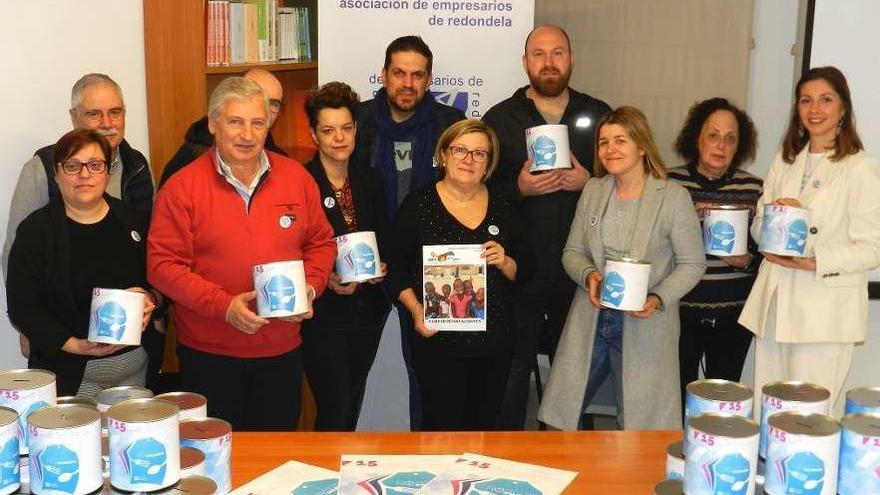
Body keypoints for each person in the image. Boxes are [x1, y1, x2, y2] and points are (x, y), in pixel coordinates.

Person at [147, 77, 336, 430]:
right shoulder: (182, 187)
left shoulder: (297, 178)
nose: (247, 135)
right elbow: (162, 266)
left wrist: (309, 288)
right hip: (209, 355)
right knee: (214, 461)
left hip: (281, 352)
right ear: (213, 123)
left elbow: (321, 243)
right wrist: (223, 306)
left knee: (274, 461)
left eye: (257, 123)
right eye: (235, 122)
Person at [538, 106, 705, 430]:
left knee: (640, 428)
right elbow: (572, 252)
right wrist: (589, 275)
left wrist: (657, 298)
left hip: (646, 326)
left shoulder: (672, 197)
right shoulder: (594, 190)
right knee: (562, 419)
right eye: (603, 142)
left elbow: (692, 264)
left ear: (641, 146)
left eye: (620, 141)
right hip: (592, 320)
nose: (610, 149)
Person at [483, 24, 612, 430]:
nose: (549, 62)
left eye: (558, 53)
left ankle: (574, 467)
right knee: (511, 375)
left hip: (581, 272)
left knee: (574, 377)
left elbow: (627, 186)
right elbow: (476, 191)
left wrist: (588, 181)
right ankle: (503, 461)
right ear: (525, 63)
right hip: (518, 271)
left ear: (571, 60)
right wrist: (517, 187)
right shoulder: (500, 119)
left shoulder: (600, 115)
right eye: (539, 54)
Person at [2, 73, 159, 387]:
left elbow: (156, 263)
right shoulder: (40, 183)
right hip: (67, 362)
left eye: (115, 112)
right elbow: (18, 272)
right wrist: (40, 332)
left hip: (133, 364)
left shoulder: (137, 169)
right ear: (58, 173)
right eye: (73, 166)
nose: (85, 175)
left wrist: (153, 300)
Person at [739, 66, 880, 409]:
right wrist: (778, 217)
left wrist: (815, 260)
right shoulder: (785, 160)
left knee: (808, 419)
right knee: (767, 412)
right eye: (806, 101)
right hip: (776, 303)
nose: (814, 109)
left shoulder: (860, 167)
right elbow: (758, 226)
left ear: (843, 108)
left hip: (824, 312)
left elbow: (872, 248)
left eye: (825, 100)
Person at [386, 119, 534, 430]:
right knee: (440, 432)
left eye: (480, 153)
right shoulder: (418, 205)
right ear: (443, 154)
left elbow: (529, 267)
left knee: (484, 432)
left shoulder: (505, 207)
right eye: (461, 150)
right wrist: (415, 311)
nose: (469, 159)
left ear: (489, 163)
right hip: (437, 344)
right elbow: (395, 270)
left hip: (494, 345)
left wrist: (507, 262)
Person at [352, 34, 465, 429]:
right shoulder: (358, 122)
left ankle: (431, 465)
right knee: (347, 381)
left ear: (429, 79)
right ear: (383, 75)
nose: (408, 83)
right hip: (365, 265)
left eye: (417, 75)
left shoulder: (452, 127)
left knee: (428, 378)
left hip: (427, 271)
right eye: (399, 73)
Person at [300, 81, 392, 431]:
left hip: (367, 310)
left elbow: (383, 234)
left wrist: (382, 266)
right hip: (323, 315)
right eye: (328, 130)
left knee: (352, 400)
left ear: (356, 130)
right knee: (334, 405)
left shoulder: (368, 178)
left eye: (346, 128)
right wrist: (326, 277)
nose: (339, 138)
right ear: (314, 135)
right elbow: (292, 248)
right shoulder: (300, 181)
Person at [667, 98, 763, 413]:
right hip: (678, 313)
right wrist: (684, 218)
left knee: (722, 404)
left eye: (730, 138)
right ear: (696, 137)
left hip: (733, 315)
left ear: (739, 145)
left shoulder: (754, 188)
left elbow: (770, 260)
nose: (721, 145)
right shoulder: (668, 185)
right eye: (713, 135)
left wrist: (745, 260)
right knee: (675, 400)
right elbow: (650, 246)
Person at [159, 68, 288, 187]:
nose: (263, 106)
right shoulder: (188, 165)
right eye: (253, 94)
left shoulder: (282, 162)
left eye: (274, 104)